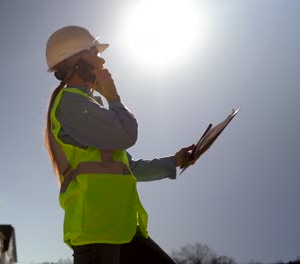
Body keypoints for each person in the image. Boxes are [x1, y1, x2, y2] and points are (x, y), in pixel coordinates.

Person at [44, 25, 195, 264]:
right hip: (97, 232)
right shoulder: (70, 105)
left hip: (121, 228)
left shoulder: (88, 105)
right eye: (96, 54)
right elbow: (127, 134)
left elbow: (126, 168)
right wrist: (113, 97)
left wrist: (174, 162)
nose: (102, 63)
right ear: (76, 61)